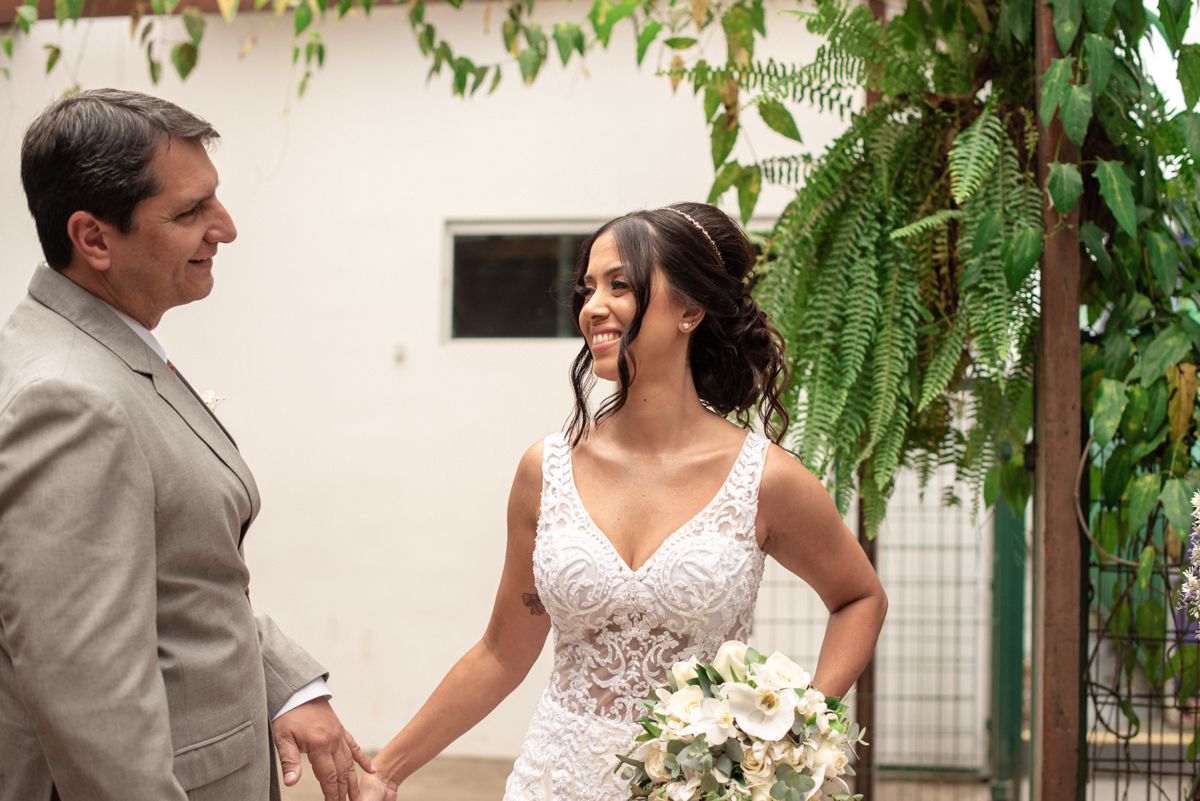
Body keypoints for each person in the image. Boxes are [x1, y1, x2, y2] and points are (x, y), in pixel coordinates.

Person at [358, 202, 888, 801]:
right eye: (587, 289)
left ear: (690, 310)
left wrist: (794, 728)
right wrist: (388, 769)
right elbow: (503, 652)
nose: (593, 307)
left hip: (695, 790)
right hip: (553, 781)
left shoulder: (765, 479)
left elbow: (859, 597)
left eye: (621, 286)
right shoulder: (546, 470)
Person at [0, 89, 374, 801]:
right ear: (94, 238)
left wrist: (285, 684)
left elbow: (177, 571)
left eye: (215, 199)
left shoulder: (93, 346)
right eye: (188, 212)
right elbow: (89, 693)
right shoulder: (69, 399)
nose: (224, 228)